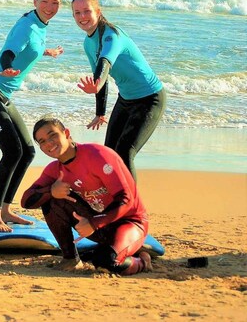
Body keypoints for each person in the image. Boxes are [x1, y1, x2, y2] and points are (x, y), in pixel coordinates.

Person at [0, 0, 65, 232]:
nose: (49, 7)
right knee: (12, 151)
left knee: (28, 150)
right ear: (35, 1)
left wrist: (47, 52)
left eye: (55, 3)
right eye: (44, 1)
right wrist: (7, 65)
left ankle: (5, 210)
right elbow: (9, 51)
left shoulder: (38, 24)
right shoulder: (27, 26)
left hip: (2, 96)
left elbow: (30, 46)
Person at [21, 115, 152, 275]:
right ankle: (70, 259)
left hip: (129, 222)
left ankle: (143, 261)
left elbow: (126, 200)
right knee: (50, 198)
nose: (49, 143)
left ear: (66, 133)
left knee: (106, 262)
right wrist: (51, 191)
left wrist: (94, 223)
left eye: (52, 135)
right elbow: (26, 201)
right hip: (97, 226)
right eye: (42, 141)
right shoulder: (54, 170)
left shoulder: (97, 155)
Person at [71, 0, 166, 180]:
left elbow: (105, 63)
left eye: (87, 11)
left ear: (98, 12)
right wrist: (100, 113)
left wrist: (96, 84)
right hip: (126, 99)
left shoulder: (111, 35)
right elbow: (100, 76)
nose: (82, 17)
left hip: (150, 98)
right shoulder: (88, 42)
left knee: (125, 151)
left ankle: (132, 205)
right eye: (77, 13)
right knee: (109, 153)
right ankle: (114, 198)